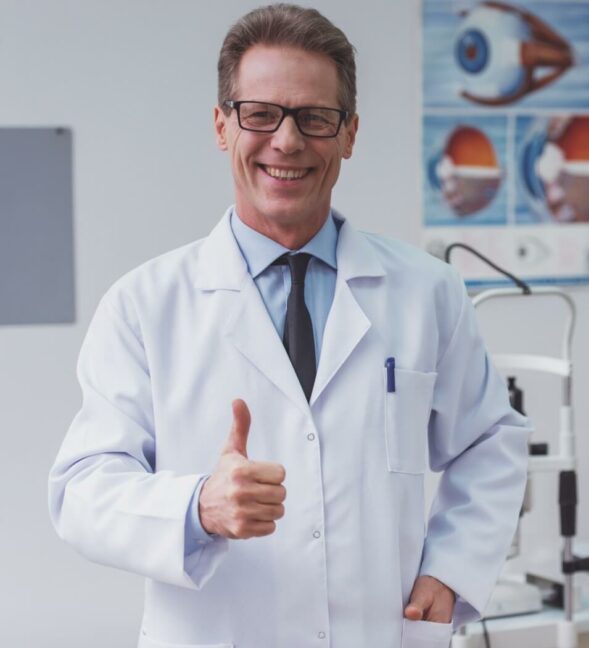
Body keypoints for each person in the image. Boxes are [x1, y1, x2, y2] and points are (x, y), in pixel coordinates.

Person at [48, 5, 530, 647]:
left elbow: (490, 440)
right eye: (260, 114)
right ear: (222, 126)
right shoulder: (145, 304)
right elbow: (81, 490)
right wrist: (197, 507)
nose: (287, 140)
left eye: (314, 118)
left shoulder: (426, 292)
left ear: (350, 133)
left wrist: (451, 568)